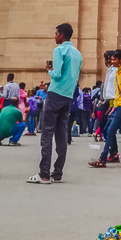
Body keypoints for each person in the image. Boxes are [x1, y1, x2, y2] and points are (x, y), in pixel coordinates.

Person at [27, 23, 82, 184]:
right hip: (68, 96)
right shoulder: (78, 54)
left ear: (62, 35)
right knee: (62, 133)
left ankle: (44, 173)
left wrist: (48, 70)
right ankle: (57, 173)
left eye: (56, 33)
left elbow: (57, 75)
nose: (54, 36)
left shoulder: (59, 50)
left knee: (47, 132)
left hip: (55, 93)